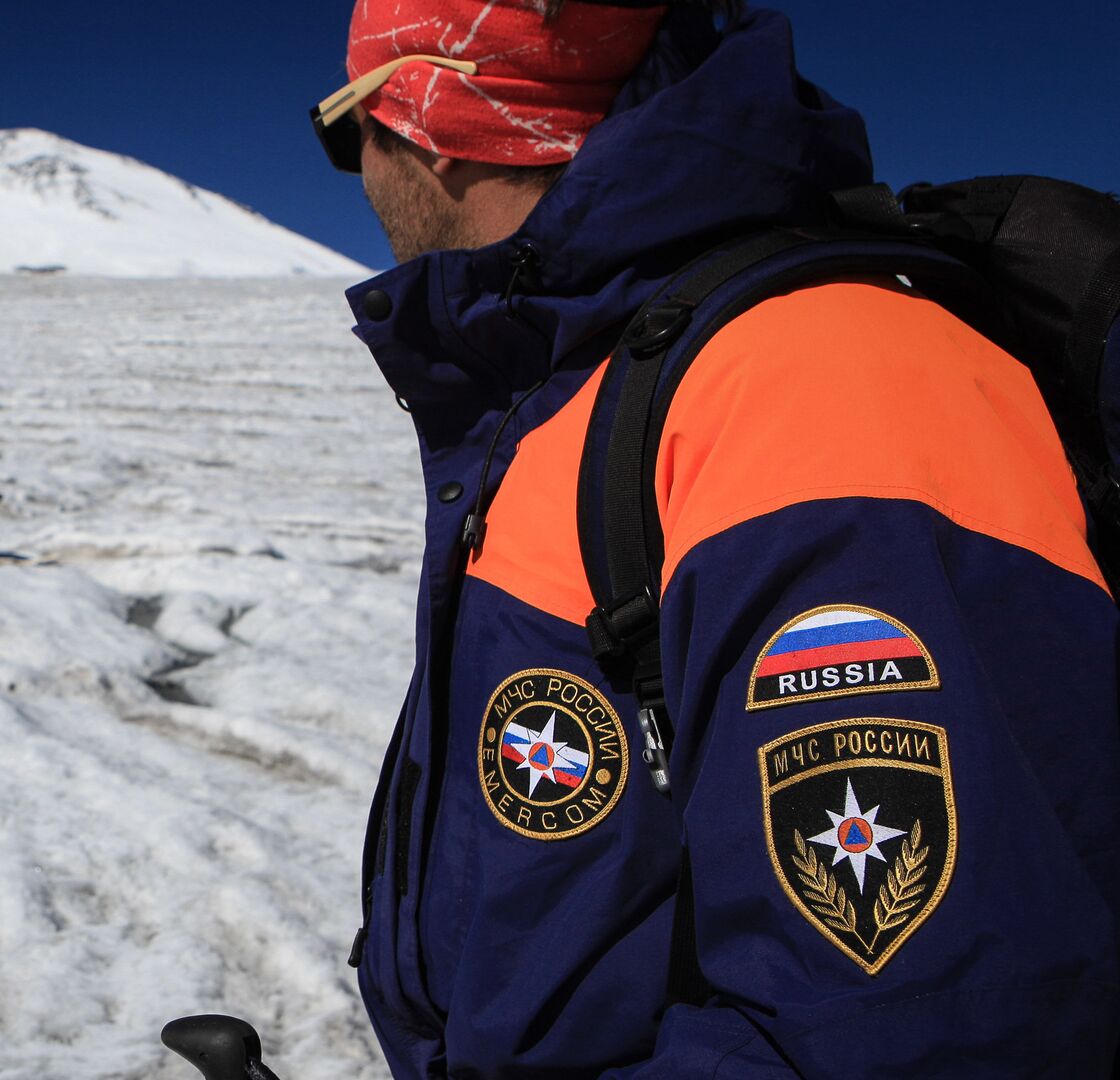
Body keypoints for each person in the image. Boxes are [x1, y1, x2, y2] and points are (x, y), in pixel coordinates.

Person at [313, 1, 1120, 1076]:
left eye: (349, 126)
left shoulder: (814, 379)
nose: (357, 166)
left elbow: (922, 1027)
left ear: (432, 121)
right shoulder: (582, 386)